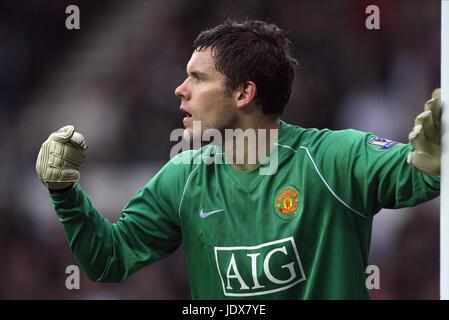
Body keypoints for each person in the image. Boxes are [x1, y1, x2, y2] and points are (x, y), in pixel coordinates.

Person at [36, 20, 441, 299]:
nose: (180, 90)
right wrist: (65, 192)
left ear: (244, 93)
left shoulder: (332, 159)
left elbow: (421, 174)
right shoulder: (184, 178)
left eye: (197, 78)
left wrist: (434, 156)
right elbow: (109, 260)